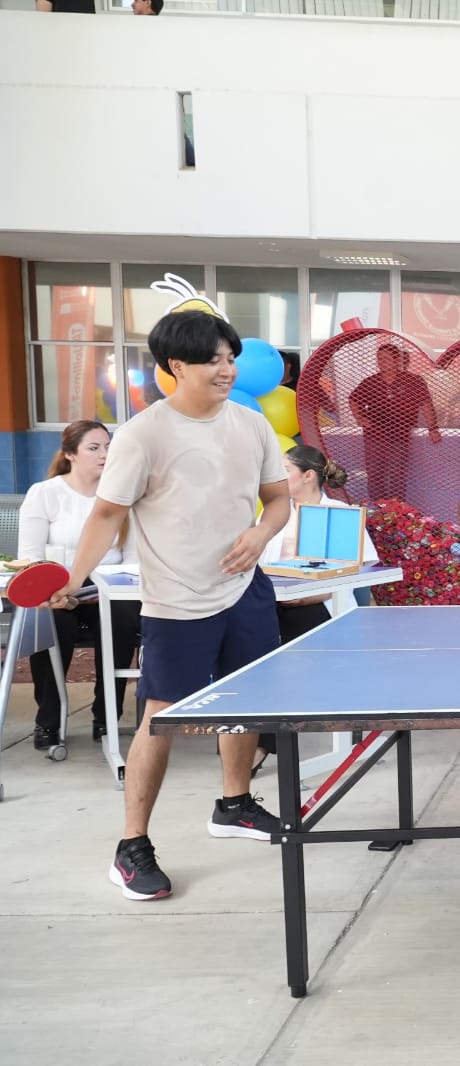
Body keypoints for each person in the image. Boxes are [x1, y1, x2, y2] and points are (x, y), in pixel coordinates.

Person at [50, 309, 291, 902]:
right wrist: (74, 578)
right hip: (177, 599)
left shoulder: (251, 424)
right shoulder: (143, 435)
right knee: (161, 716)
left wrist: (260, 534)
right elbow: (108, 514)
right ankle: (131, 846)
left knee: (245, 700)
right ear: (176, 366)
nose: (227, 370)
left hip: (245, 588)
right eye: (213, 360)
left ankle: (234, 804)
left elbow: (278, 500)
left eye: (231, 359)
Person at [251, 445, 379, 772]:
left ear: (308, 475)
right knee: (249, 642)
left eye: (285, 471)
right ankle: (254, 738)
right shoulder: (272, 515)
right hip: (273, 602)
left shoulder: (339, 513)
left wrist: (312, 595)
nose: (277, 478)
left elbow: (359, 571)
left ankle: (263, 744)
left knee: (282, 647)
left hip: (322, 606)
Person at [17, 421, 141, 750]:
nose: (104, 455)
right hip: (57, 590)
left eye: (108, 447)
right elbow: (30, 557)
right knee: (50, 621)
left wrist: (102, 588)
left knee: (124, 618)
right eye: (94, 448)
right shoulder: (45, 493)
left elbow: (133, 560)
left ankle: (106, 716)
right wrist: (58, 590)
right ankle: (48, 720)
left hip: (109, 588)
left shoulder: (122, 496)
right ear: (70, 454)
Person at [349, 342, 441, 503]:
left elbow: (426, 405)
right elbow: (353, 400)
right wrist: (360, 418)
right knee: (375, 474)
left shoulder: (413, 381)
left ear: (397, 359)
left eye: (385, 358)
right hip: (374, 436)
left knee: (396, 475)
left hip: (400, 436)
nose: (381, 362)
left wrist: (432, 428)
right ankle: (377, 510)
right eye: (379, 358)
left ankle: (396, 511)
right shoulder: (371, 382)